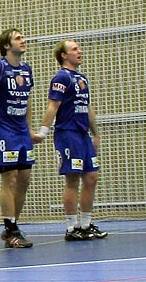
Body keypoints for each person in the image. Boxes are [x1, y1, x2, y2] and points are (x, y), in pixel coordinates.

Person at [40, 39, 107, 241]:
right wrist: (43, 132)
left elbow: (87, 107)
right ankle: (72, 227)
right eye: (74, 49)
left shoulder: (82, 78)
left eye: (79, 48)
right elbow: (53, 105)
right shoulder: (61, 77)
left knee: (91, 178)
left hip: (82, 135)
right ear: (64, 55)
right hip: (67, 133)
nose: (79, 51)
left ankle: (86, 224)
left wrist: (95, 133)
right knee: (73, 179)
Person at [0, 28, 44, 248]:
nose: (23, 40)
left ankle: (13, 224)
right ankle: (11, 229)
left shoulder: (27, 70)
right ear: (7, 46)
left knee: (24, 178)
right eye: (18, 38)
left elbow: (26, 100)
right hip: (3, 130)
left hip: (21, 131)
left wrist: (29, 128)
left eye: (23, 37)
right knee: (9, 178)